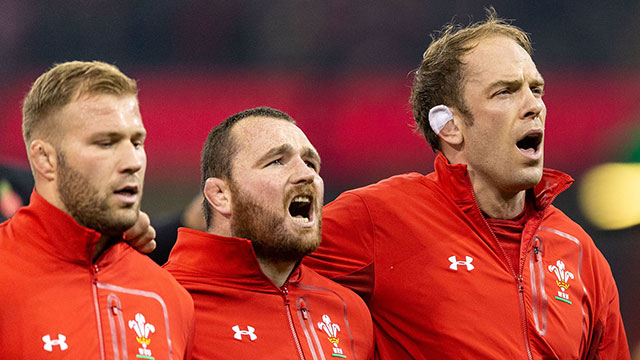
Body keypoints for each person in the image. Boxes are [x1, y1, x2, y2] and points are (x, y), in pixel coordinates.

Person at [303, 10, 632, 359]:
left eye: (536, 89)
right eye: (505, 92)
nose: (534, 106)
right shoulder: (378, 218)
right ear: (450, 126)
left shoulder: (580, 251)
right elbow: (253, 273)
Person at [0, 61, 194, 359]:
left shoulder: (169, 297)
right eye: (106, 143)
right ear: (45, 159)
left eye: (137, 142)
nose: (133, 162)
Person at [164, 107, 374, 359]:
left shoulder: (347, 309)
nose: (306, 175)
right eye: (276, 161)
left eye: (310, 163)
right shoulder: (166, 301)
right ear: (220, 195)